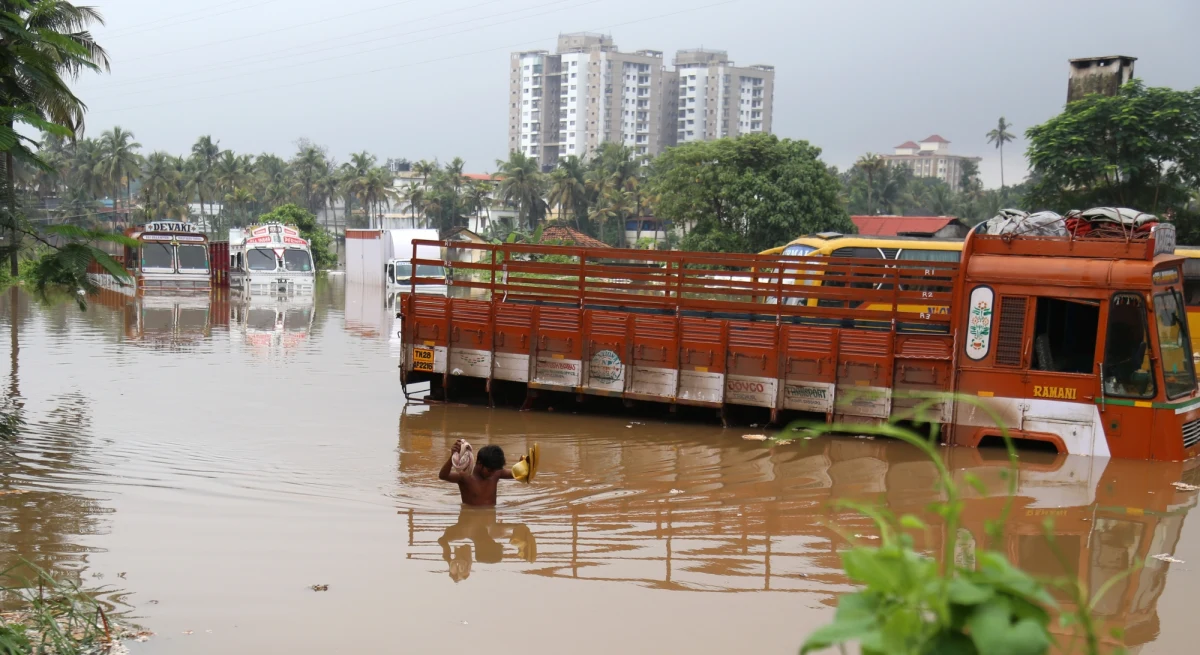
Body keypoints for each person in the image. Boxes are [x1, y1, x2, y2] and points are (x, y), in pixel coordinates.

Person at [438, 440, 512, 506]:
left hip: (491, 516)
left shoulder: (497, 472)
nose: (492, 473)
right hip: (470, 516)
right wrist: (453, 456)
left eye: (495, 470)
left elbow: (515, 474)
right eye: (489, 470)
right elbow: (443, 476)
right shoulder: (465, 476)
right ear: (479, 463)